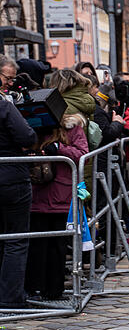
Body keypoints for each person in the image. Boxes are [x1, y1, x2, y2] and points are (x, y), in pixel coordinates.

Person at [25, 109, 89, 300]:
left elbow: (83, 154)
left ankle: (53, 290)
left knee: (57, 246)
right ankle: (33, 288)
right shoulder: (33, 126)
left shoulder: (72, 128)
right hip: (37, 194)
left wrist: (59, 149)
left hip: (60, 194)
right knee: (36, 245)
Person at [0, 92, 36, 307]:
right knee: (16, 238)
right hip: (11, 177)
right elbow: (27, 137)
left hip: (10, 177)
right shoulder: (4, 107)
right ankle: (10, 299)